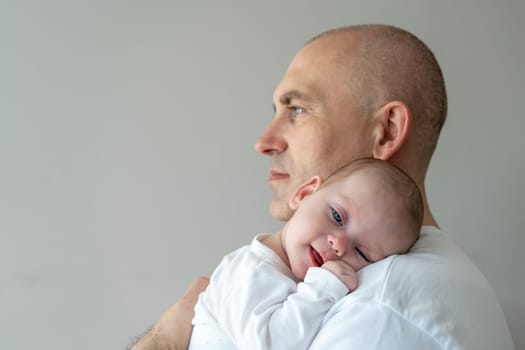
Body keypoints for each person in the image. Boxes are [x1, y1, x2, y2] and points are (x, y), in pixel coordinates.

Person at [130, 24, 515, 349]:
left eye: (297, 110)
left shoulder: (382, 309)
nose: (264, 141)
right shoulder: (389, 281)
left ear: (387, 131)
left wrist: (165, 339)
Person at [189, 158, 423, 349]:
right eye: (337, 217)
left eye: (361, 252)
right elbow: (267, 345)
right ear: (304, 194)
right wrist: (323, 288)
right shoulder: (250, 270)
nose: (338, 244)